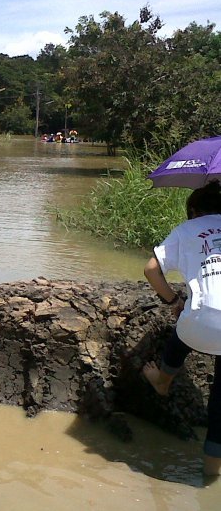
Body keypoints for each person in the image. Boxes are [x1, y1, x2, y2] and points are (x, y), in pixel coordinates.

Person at [142, 180, 221, 476]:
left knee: (182, 332)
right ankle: (213, 473)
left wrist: (173, 299)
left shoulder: (187, 230)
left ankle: (162, 380)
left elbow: (151, 269)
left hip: (198, 325)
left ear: (193, 211)